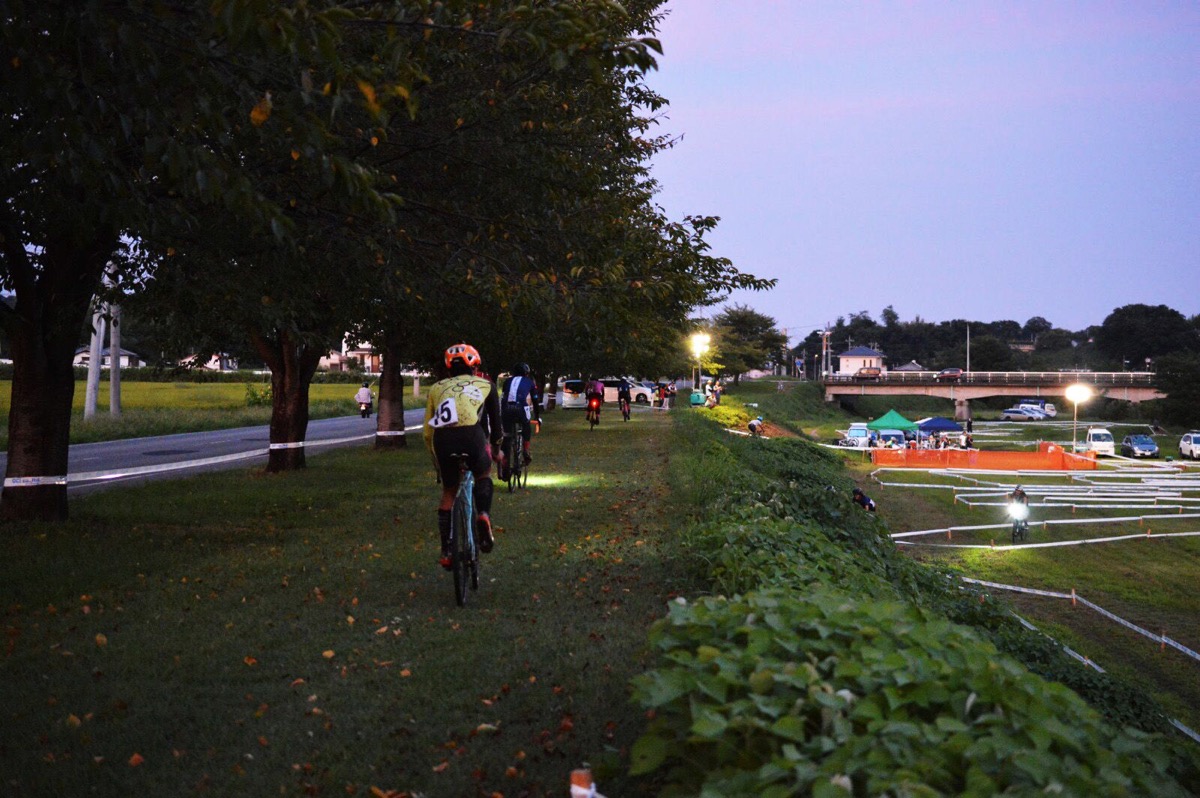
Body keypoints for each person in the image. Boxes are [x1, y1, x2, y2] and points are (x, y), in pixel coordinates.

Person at [424, 343, 504, 570]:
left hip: (443, 440)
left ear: (449, 369)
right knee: (482, 474)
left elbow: (427, 433)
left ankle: (447, 550)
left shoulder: (436, 388)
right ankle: (484, 516)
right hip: (472, 436)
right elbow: (496, 428)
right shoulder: (486, 385)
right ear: (475, 368)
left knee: (449, 492)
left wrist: (437, 464)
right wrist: (497, 451)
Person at [501, 362, 540, 465]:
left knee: (506, 434)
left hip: (506, 408)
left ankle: (505, 462)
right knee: (526, 425)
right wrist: (537, 416)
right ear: (526, 373)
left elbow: (505, 395)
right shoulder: (529, 382)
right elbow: (535, 401)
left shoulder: (507, 381)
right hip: (521, 408)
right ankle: (526, 450)